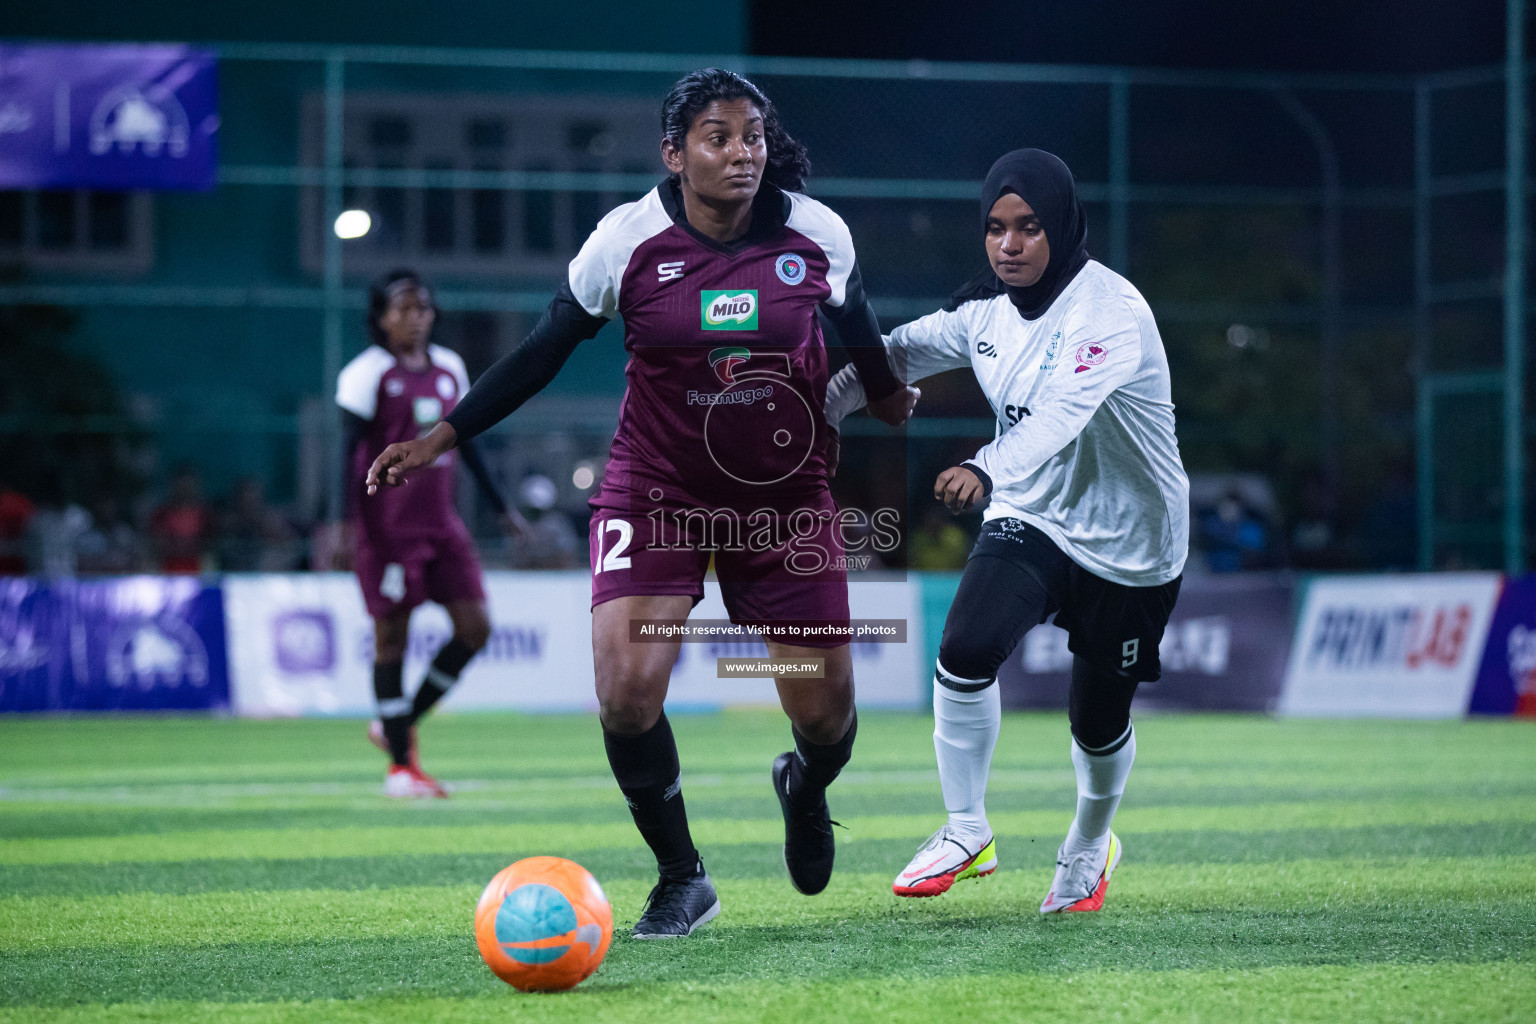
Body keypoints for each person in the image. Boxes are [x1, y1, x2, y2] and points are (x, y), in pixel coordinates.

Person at [365, 68, 916, 938]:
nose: (743, 154)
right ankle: (682, 876)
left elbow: (858, 328)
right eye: (720, 138)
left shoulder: (817, 234)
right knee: (625, 694)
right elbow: (544, 350)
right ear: (674, 152)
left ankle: (804, 789)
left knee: (827, 714)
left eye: (754, 137)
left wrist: (886, 394)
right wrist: (442, 436)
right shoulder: (625, 242)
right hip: (653, 490)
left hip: (783, 505)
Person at [826, 149, 1188, 913]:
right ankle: (966, 828)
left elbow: (1061, 413)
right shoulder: (985, 314)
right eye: (995, 228)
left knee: (1096, 723)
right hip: (1034, 512)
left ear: (1061, 227)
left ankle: (1090, 845)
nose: (1009, 245)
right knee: (964, 649)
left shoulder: (1111, 312)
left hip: (1132, 542)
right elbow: (890, 359)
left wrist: (987, 464)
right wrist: (808, 415)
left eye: (1028, 228)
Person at [336, 268, 517, 799]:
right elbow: (346, 455)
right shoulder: (366, 373)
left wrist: (501, 507)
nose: (416, 318)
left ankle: (395, 724)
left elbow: (469, 441)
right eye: (403, 309)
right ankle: (399, 769)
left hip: (442, 525)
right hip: (387, 529)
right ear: (381, 318)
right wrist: (344, 524)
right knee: (392, 639)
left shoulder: (449, 368)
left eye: (423, 308)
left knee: (476, 629)